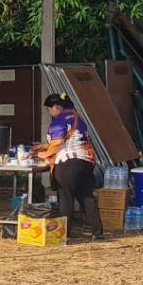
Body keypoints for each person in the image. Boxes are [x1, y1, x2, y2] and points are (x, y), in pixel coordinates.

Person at [38, 93, 105, 240]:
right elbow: (70, 139)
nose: (49, 113)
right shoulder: (77, 118)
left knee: (65, 198)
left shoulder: (59, 120)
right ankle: (98, 233)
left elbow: (57, 144)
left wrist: (43, 155)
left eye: (48, 109)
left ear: (56, 107)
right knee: (86, 197)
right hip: (85, 161)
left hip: (68, 163)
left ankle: (63, 235)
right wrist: (43, 146)